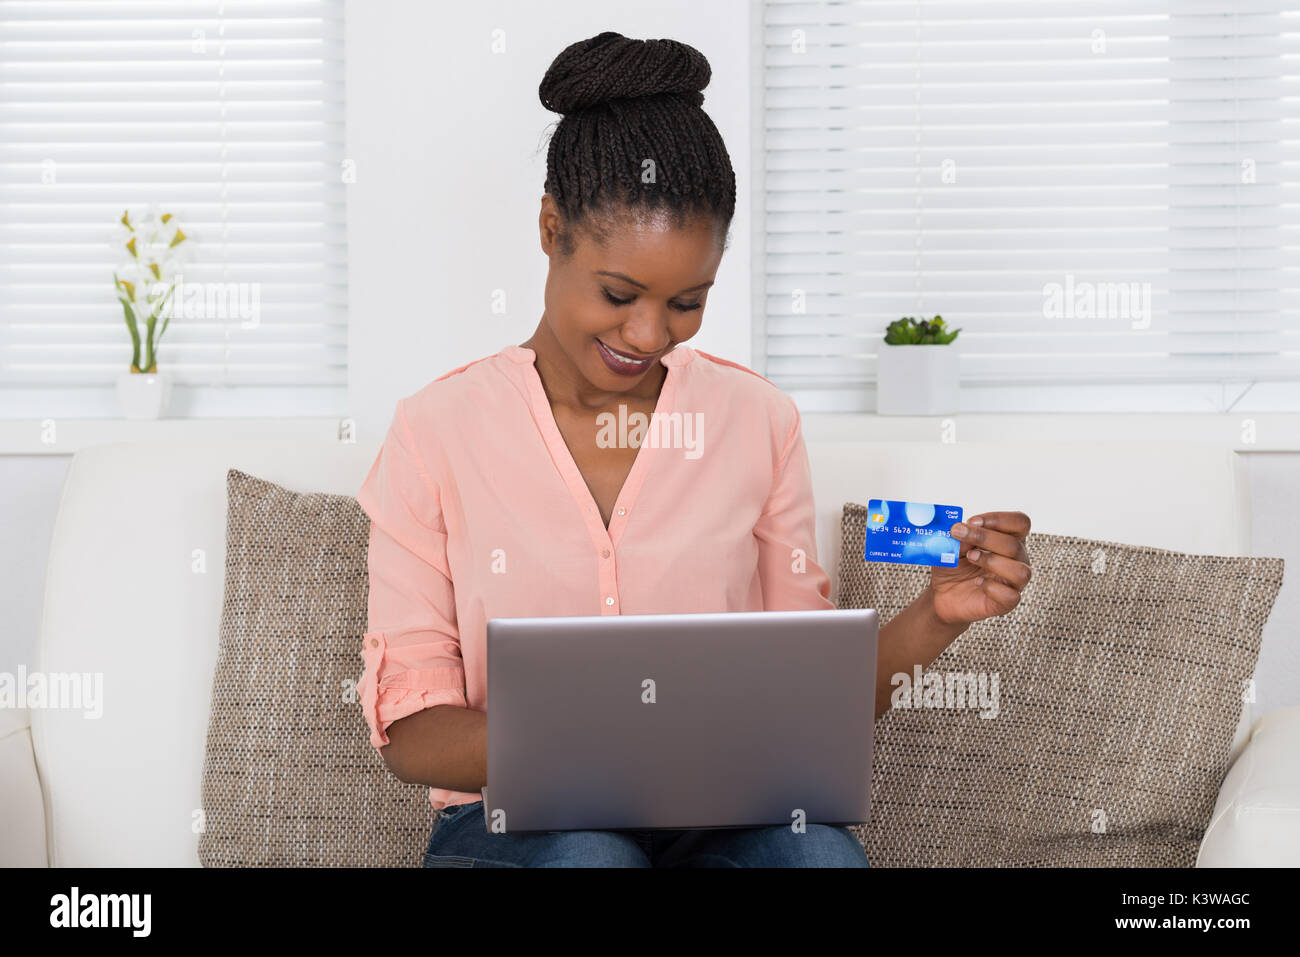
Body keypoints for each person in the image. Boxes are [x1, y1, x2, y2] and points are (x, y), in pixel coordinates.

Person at [355, 31, 1032, 868]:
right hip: (515, 826)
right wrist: (605, 737)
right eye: (618, 293)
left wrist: (937, 614)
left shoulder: (757, 422)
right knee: (591, 855)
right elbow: (411, 735)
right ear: (549, 227)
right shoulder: (436, 433)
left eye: (686, 301)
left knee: (819, 859)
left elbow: (811, 698)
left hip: (723, 819)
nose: (647, 335)